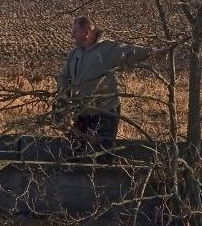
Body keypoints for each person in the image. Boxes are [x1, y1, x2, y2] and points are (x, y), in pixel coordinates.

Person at [55, 15, 166, 153]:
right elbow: (64, 75)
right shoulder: (74, 54)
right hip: (82, 110)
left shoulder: (107, 49)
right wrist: (63, 94)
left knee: (102, 151)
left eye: (75, 31)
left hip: (105, 110)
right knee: (75, 149)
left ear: (87, 33)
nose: (72, 35)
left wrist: (152, 52)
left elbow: (129, 52)